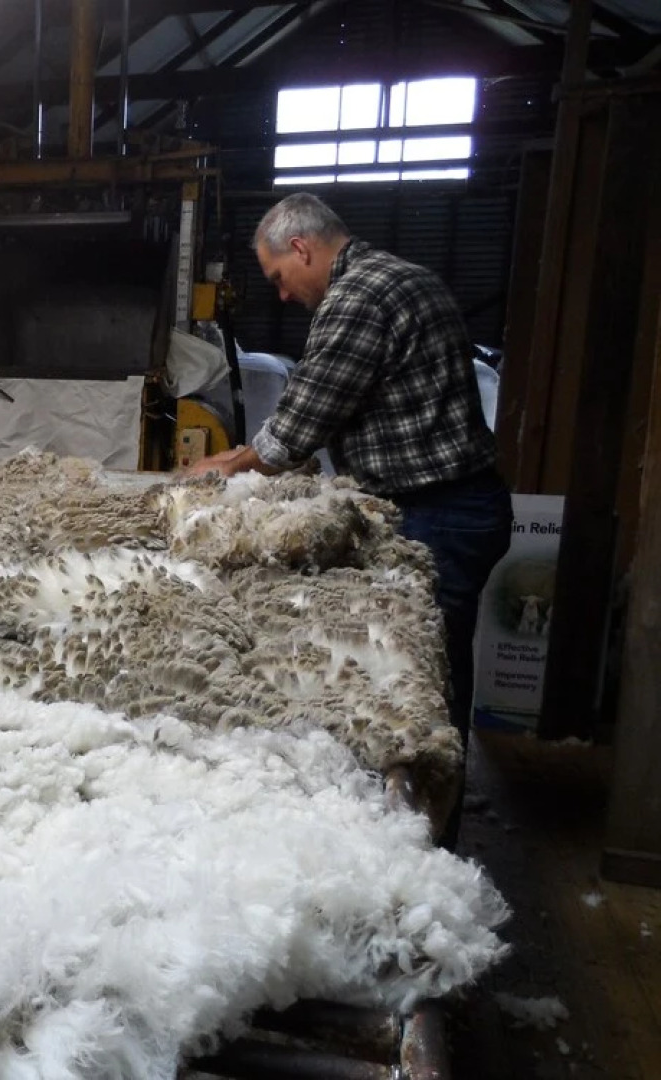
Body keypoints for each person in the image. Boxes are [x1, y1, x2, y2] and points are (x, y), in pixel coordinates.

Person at [186, 193, 512, 793]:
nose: (282, 295)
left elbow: (298, 428)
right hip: (455, 504)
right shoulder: (401, 276)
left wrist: (225, 466)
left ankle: (427, 811)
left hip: (437, 512)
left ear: (303, 247)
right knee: (430, 671)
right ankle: (429, 796)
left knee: (418, 683)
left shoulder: (358, 298)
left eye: (279, 277)